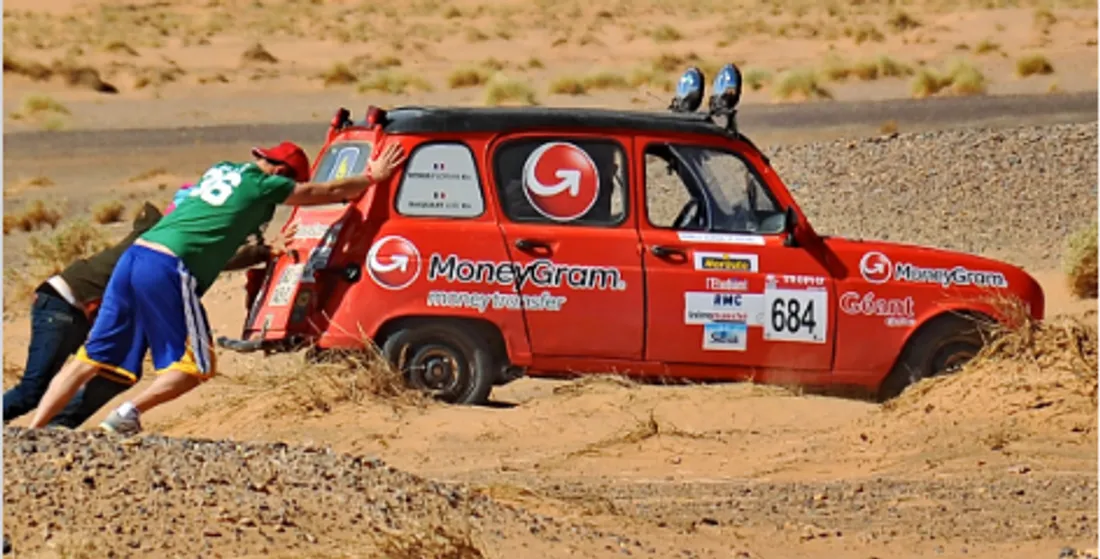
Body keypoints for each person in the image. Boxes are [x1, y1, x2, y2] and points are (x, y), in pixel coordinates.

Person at [26, 140, 407, 435]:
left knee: (88, 357)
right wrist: (373, 176)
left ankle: (33, 432)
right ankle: (128, 414)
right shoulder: (265, 185)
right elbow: (323, 193)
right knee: (197, 366)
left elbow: (213, 227)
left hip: (136, 257)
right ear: (281, 172)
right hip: (168, 267)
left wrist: (263, 247)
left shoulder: (221, 171)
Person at [3, 190, 293, 429]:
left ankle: (56, 429)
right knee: (33, 389)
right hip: (65, 303)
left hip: (79, 308)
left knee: (116, 372)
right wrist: (263, 252)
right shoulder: (160, 239)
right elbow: (213, 257)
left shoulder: (162, 236)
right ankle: (41, 431)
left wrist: (263, 251)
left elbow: (211, 257)